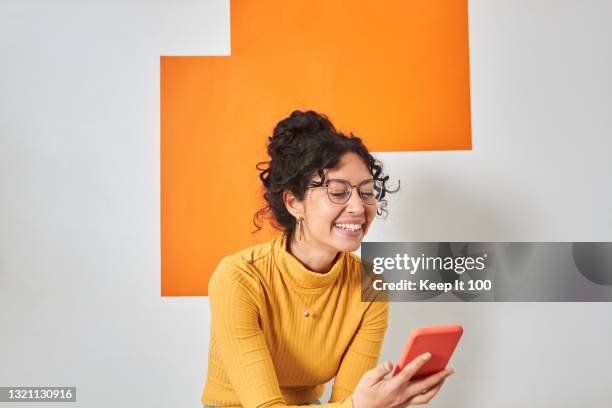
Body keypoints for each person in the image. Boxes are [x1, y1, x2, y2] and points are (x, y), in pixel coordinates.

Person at [201, 110, 454, 408]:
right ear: (294, 202)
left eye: (367, 192)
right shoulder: (239, 277)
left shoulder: (369, 286)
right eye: (338, 192)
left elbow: (348, 399)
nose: (358, 207)